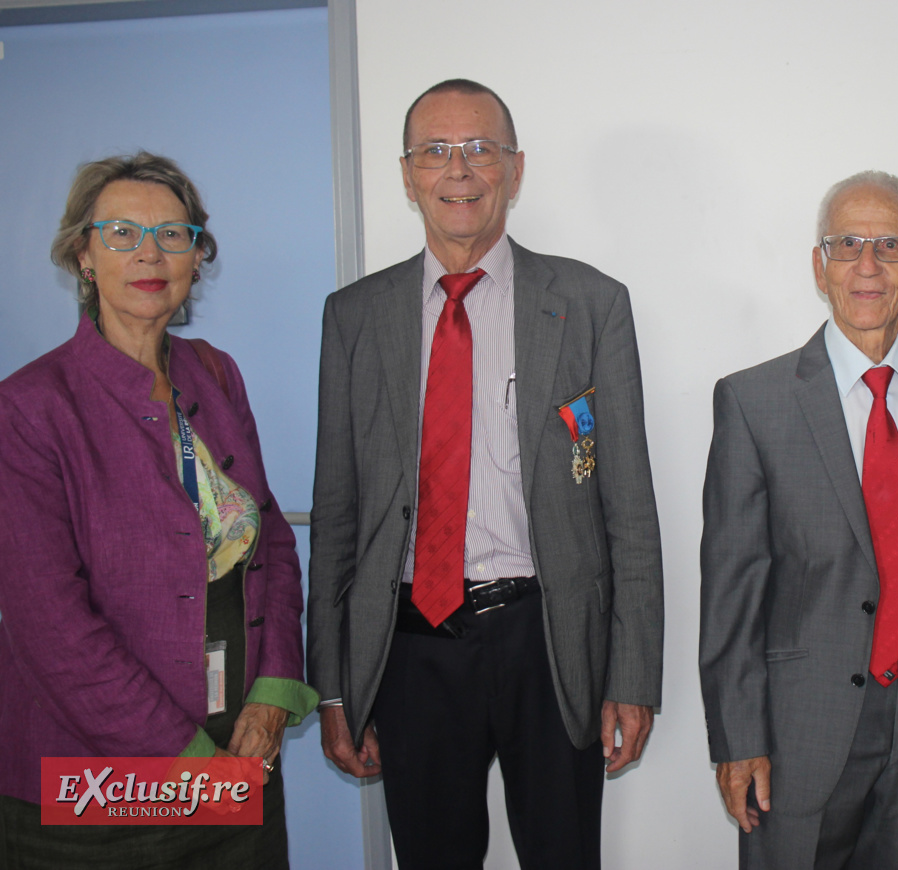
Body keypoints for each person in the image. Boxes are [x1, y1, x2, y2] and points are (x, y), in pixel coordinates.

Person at [307, 78, 664, 869]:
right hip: (409, 649)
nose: (458, 170)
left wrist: (634, 676)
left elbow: (630, 509)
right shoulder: (354, 317)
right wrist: (334, 688)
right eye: (436, 151)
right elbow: (335, 513)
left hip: (549, 639)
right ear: (408, 174)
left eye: (479, 150)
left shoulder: (589, 303)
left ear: (514, 167)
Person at [0, 152, 317, 867]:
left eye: (174, 234)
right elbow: (51, 626)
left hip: (238, 754)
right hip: (96, 789)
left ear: (196, 256)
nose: (150, 254)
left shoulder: (215, 371)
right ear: (83, 254)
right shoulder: (28, 408)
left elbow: (268, 540)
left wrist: (271, 696)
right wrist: (182, 759)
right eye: (120, 234)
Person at [699, 171, 898, 870]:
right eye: (847, 244)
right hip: (799, 719)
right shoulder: (754, 402)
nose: (868, 264)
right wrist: (738, 736)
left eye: (891, 245)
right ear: (819, 264)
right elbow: (732, 586)